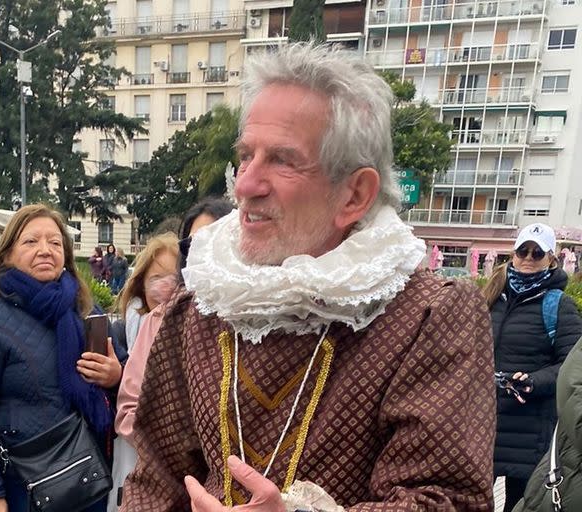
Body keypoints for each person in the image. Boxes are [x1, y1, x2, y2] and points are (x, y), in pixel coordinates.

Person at [120, 42, 496, 511]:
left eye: (282, 160)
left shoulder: (430, 316)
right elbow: (155, 479)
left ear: (354, 194)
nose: (245, 186)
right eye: (246, 156)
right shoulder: (199, 305)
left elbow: (448, 500)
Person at [0, 204, 125, 512]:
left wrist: (115, 376)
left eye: (55, 243)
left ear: (66, 256)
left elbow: (129, 380)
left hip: (90, 482)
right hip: (24, 490)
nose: (45, 250)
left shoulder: (85, 309)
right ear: (7, 255)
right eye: (31, 242)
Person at [483, 223, 582, 511]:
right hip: (484, 420)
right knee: (473, 500)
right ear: (512, 254)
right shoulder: (491, 297)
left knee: (519, 503)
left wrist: (534, 381)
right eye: (522, 251)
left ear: (550, 259)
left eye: (537, 253)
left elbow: (571, 367)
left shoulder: (558, 305)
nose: (528, 258)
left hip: (530, 427)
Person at [108, 233, 179, 511]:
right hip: (133, 454)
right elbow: (125, 402)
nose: (164, 286)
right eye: (156, 277)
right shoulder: (128, 328)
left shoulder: (193, 329)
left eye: (173, 276)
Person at [513, 334, 582, 512]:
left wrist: (536, 380)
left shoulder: (557, 309)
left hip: (535, 422)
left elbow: (563, 366)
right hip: (503, 418)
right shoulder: (493, 308)